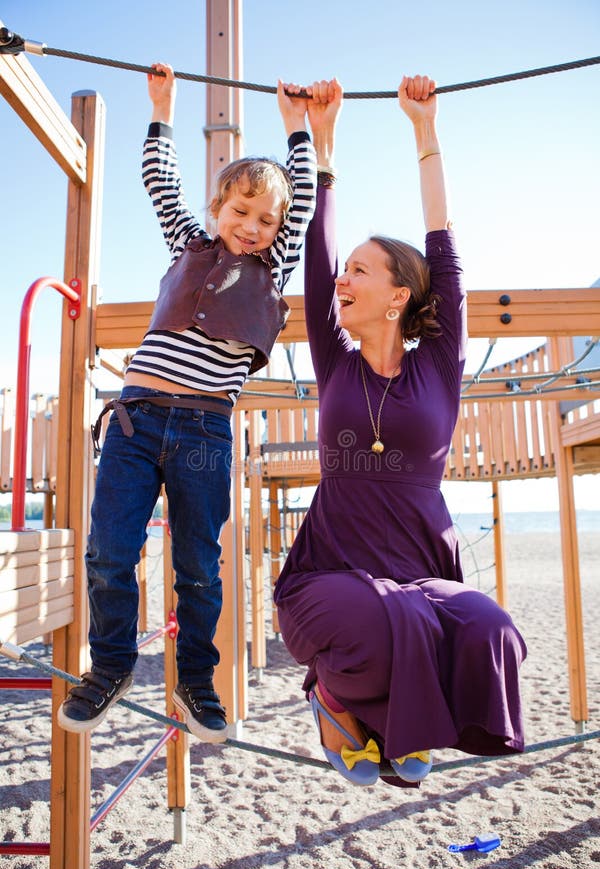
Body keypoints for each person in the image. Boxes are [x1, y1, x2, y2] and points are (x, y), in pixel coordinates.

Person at [274, 76, 527, 786]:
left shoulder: (439, 366)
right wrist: (322, 145)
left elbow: (445, 250)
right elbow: (314, 258)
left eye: (360, 271)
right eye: (344, 272)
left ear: (399, 297)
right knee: (368, 625)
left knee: (490, 629)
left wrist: (425, 131)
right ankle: (335, 701)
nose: (342, 281)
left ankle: (385, 723)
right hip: (329, 575)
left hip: (419, 574)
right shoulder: (336, 362)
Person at [58, 63, 317, 742]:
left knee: (198, 564)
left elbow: (306, 198)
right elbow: (157, 180)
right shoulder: (188, 243)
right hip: (136, 420)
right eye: (240, 212)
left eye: (266, 219)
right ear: (216, 212)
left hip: (204, 430)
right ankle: (109, 663)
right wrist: (163, 108)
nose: (252, 226)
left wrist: (297, 128)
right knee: (110, 550)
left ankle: (196, 680)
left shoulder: (275, 265)